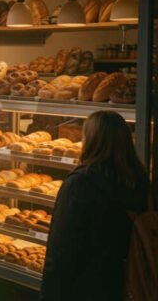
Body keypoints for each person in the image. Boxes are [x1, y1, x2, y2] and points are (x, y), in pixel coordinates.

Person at [40, 111, 148, 301]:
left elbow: (61, 249)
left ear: (90, 140)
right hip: (128, 282)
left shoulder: (81, 183)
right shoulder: (139, 179)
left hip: (85, 286)